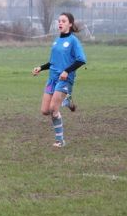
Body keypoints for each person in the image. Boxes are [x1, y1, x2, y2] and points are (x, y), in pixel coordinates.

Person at [32, 12, 87, 148]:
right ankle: (66, 100)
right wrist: (41, 67)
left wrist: (66, 71)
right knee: (45, 111)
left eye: (63, 21)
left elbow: (81, 60)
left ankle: (60, 141)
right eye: (59, 21)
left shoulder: (73, 41)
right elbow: (52, 62)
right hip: (52, 79)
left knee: (53, 109)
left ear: (70, 24)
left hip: (65, 80)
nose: (60, 23)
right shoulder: (56, 41)